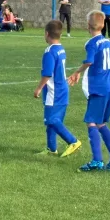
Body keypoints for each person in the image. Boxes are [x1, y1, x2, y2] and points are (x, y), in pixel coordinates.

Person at [68, 10, 110, 172]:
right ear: (103, 24)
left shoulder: (91, 43)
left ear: (88, 26)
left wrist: (77, 72)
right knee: (101, 123)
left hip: (98, 89)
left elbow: (89, 61)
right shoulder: (108, 42)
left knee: (91, 122)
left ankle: (97, 160)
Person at [33, 20, 81, 157]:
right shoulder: (61, 48)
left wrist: (38, 88)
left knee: (51, 120)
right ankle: (51, 148)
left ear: (47, 34)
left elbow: (47, 74)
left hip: (54, 92)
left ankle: (73, 141)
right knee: (54, 121)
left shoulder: (49, 52)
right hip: (62, 89)